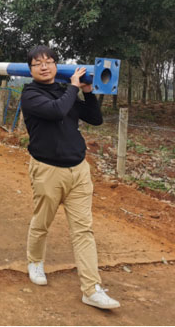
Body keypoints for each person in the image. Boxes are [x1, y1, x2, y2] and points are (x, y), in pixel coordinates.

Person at [20, 45, 120, 310]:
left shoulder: (66, 90)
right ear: (30, 69)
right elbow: (55, 111)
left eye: (49, 61)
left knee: (83, 230)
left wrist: (87, 92)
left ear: (56, 65)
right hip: (47, 170)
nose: (44, 66)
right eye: (38, 63)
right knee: (42, 222)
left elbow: (95, 119)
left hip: (79, 170)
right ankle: (35, 262)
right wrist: (74, 87)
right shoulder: (30, 94)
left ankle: (91, 288)